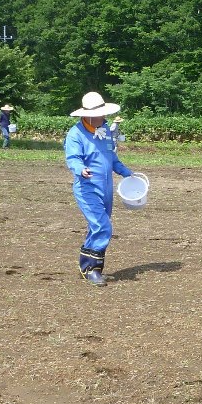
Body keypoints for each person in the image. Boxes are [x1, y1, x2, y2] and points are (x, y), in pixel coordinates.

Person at [64, 92, 134, 286]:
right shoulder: (75, 134)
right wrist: (80, 169)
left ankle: (85, 265)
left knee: (97, 227)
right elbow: (73, 159)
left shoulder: (105, 131)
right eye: (100, 115)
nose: (104, 118)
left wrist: (127, 173)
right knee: (103, 227)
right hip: (87, 189)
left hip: (107, 189)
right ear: (86, 115)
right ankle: (92, 269)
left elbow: (112, 159)